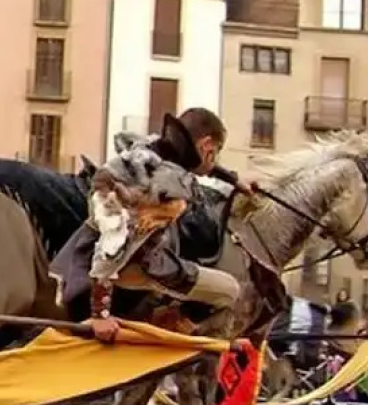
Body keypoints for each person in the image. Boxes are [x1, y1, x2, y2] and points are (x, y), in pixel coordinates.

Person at [51, 108, 257, 343]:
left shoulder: (149, 151)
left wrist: (233, 180)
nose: (215, 159)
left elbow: (202, 166)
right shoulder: (167, 189)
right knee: (229, 290)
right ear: (206, 145)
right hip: (128, 265)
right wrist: (100, 313)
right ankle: (171, 343)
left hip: (87, 252)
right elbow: (116, 241)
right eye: (216, 152)